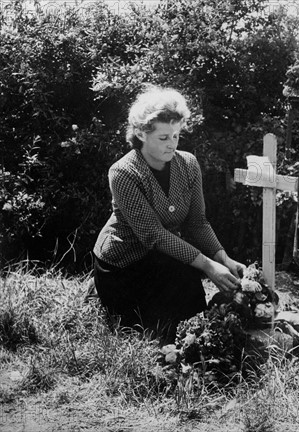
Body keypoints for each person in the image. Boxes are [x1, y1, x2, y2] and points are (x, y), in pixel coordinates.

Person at [92, 85, 245, 341]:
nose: (172, 143)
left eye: (176, 135)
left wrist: (224, 259)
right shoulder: (123, 172)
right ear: (141, 133)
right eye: (164, 137)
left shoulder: (188, 164)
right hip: (123, 264)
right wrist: (208, 266)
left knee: (192, 317)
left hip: (163, 255)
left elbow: (197, 222)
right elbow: (153, 235)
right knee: (145, 334)